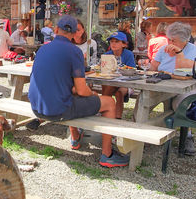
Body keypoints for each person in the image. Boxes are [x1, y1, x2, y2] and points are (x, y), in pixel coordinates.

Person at [28, 15, 125, 168]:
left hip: (36, 109)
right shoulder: (74, 51)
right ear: (74, 34)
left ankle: (75, 138)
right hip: (57, 111)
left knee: (69, 95)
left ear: (56, 30)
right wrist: (93, 95)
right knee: (109, 102)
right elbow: (81, 89)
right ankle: (107, 154)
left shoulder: (42, 49)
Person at [101, 32, 137, 119]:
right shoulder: (107, 55)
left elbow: (131, 70)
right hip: (111, 81)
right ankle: (105, 111)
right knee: (107, 85)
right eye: (111, 41)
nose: (113, 44)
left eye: (117, 41)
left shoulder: (128, 54)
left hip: (126, 82)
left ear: (124, 44)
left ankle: (117, 116)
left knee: (119, 92)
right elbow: (103, 70)